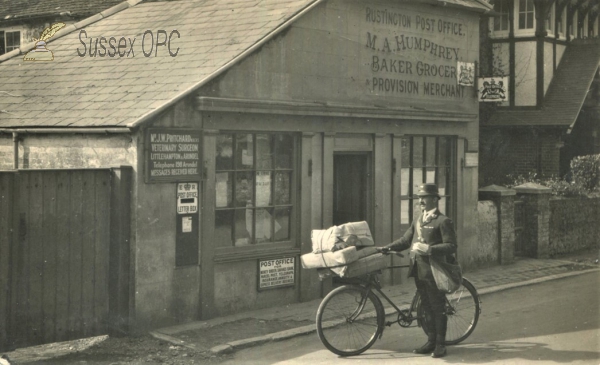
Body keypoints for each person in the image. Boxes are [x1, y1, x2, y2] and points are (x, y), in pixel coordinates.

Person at [381, 183, 457, 358]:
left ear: (434, 199)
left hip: (435, 271)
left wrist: (430, 249)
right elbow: (405, 240)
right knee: (426, 307)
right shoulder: (418, 219)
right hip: (419, 270)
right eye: (419, 197)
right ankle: (430, 341)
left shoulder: (443, 221)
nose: (420, 201)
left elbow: (451, 246)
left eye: (424, 197)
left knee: (437, 307)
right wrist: (387, 248)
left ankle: (440, 345)